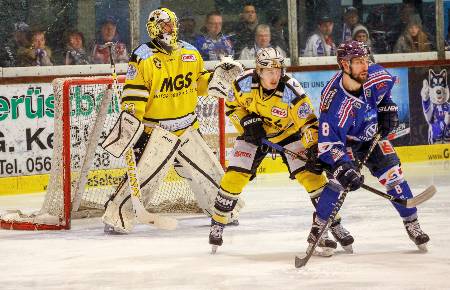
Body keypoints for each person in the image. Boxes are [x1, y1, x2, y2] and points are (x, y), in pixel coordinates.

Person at [102, 8, 242, 234]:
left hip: (187, 127)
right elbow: (135, 97)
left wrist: (219, 77)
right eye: (166, 25)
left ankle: (223, 211)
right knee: (144, 178)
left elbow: (199, 84)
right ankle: (118, 216)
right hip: (155, 131)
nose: (171, 28)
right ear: (154, 27)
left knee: (209, 172)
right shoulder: (142, 56)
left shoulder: (190, 52)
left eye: (173, 24)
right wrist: (131, 124)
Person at [208, 47, 354, 255]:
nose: (275, 75)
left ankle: (333, 225)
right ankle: (218, 223)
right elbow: (232, 106)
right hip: (254, 134)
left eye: (278, 70)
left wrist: (313, 149)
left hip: (288, 133)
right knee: (234, 177)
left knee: (313, 179)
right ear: (259, 70)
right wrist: (246, 122)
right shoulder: (243, 83)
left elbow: (308, 124)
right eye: (269, 71)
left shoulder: (290, 90)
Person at [306, 40, 430, 253]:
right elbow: (329, 145)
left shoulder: (377, 75)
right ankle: (319, 229)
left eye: (366, 59)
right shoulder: (333, 101)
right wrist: (343, 167)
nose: (365, 65)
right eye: (358, 62)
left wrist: (387, 108)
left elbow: (384, 96)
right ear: (345, 65)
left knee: (394, 174)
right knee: (337, 183)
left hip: (371, 134)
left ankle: (412, 224)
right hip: (344, 143)